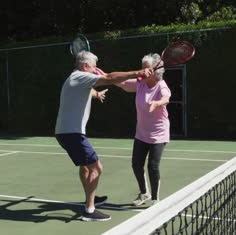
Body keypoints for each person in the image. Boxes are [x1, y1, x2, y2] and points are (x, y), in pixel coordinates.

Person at [55, 50, 153, 222]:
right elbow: (109, 77)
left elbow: (89, 91)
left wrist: (97, 94)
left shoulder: (75, 79)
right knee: (96, 168)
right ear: (85, 66)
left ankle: (89, 200)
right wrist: (138, 72)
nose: (96, 70)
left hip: (66, 132)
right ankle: (89, 211)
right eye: (94, 67)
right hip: (72, 133)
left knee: (85, 167)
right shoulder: (79, 76)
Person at [116, 53, 171, 206]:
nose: (142, 71)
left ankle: (155, 199)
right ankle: (144, 193)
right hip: (141, 133)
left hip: (158, 133)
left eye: (145, 68)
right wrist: (102, 75)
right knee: (136, 164)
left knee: (153, 166)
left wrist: (157, 103)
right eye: (142, 68)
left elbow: (166, 98)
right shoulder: (140, 83)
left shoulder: (161, 85)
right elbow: (123, 83)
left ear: (155, 71)